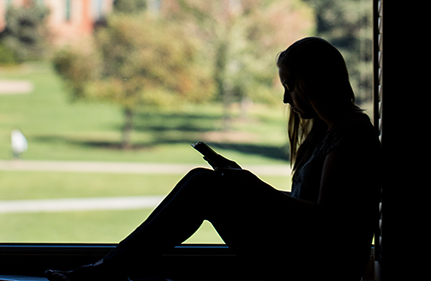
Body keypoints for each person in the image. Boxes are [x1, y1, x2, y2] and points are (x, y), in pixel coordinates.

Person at [45, 37, 381, 281]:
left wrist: (256, 190)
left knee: (204, 186)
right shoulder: (331, 131)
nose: (284, 98)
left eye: (291, 86)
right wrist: (247, 185)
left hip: (317, 271)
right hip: (304, 256)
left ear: (313, 84)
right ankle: (113, 269)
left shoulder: (350, 136)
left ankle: (109, 270)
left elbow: (327, 220)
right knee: (205, 182)